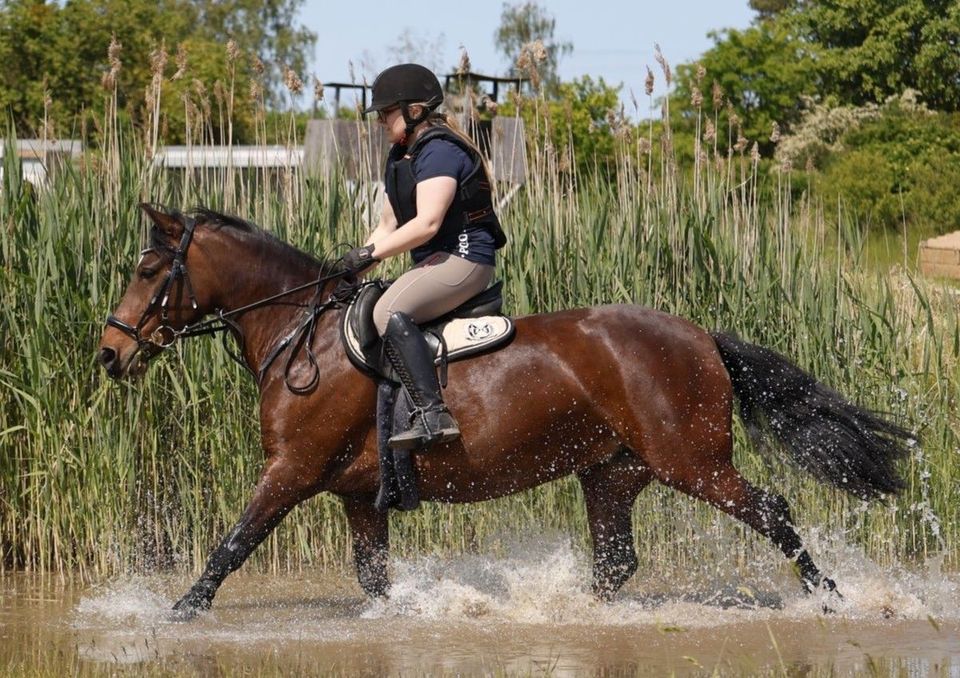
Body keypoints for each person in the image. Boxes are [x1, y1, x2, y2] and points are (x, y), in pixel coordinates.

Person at [340, 63, 507, 452]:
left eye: (386, 113)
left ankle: (433, 413)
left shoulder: (439, 151)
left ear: (414, 111)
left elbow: (428, 224)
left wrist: (368, 253)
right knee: (361, 303)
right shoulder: (402, 155)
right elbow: (387, 227)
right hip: (437, 262)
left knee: (386, 312)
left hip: (464, 259)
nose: (381, 121)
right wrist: (353, 271)